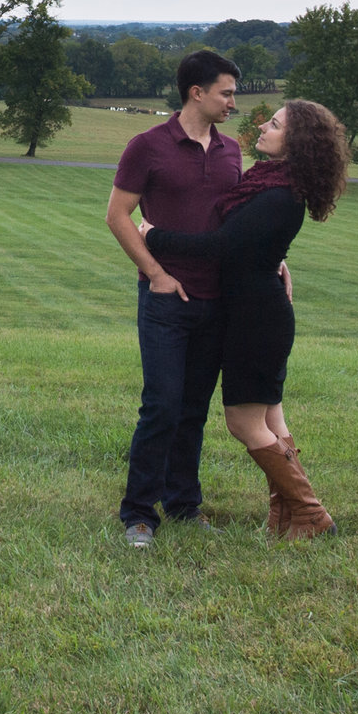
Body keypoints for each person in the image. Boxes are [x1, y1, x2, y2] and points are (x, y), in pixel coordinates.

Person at [140, 98, 347, 539]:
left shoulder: (277, 193)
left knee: (243, 422)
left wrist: (155, 235)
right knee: (273, 421)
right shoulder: (273, 183)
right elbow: (252, 245)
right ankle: (284, 517)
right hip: (261, 312)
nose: (263, 128)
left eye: (273, 124)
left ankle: (311, 514)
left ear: (296, 142)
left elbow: (221, 246)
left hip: (256, 319)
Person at [105, 49, 244, 548]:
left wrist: (274, 257)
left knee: (193, 410)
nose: (234, 102)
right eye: (227, 92)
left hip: (216, 301)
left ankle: (184, 504)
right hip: (165, 301)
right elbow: (118, 216)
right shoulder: (147, 146)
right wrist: (156, 274)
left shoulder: (231, 152)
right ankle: (139, 513)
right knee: (161, 406)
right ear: (197, 92)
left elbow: (236, 223)